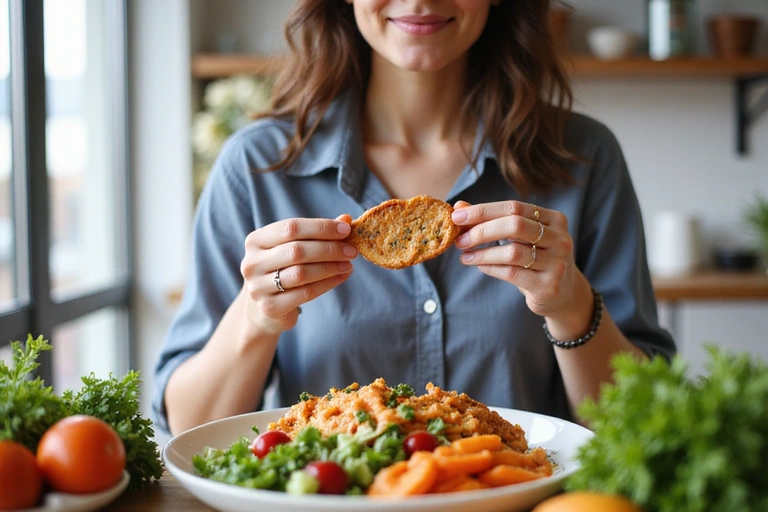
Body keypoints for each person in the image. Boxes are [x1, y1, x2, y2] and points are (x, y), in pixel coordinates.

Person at [153, 0, 675, 436]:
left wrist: (570, 305)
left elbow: (645, 429)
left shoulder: (585, 159)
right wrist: (256, 317)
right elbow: (189, 427)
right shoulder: (256, 167)